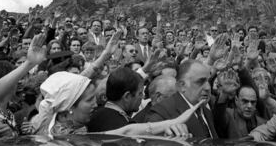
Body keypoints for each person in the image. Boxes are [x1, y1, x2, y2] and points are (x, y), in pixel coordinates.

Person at [33, 71, 202, 137]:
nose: (96, 104)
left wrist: (173, 123)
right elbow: (125, 131)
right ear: (67, 109)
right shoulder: (62, 139)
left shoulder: (75, 130)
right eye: (88, 100)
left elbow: (127, 130)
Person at [146, 59, 218, 138]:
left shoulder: (205, 110)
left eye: (209, 81)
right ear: (181, 86)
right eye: (200, 82)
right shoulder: (162, 112)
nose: (208, 87)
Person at [87, 67, 143, 132]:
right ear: (127, 96)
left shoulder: (93, 116)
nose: (143, 97)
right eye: (140, 93)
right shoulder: (126, 129)